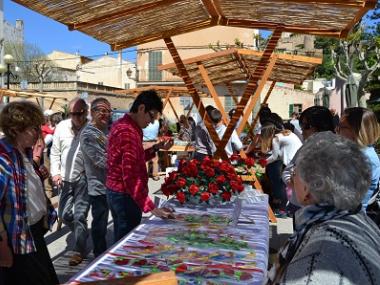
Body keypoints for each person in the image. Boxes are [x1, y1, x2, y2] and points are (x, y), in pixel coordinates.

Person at [267, 132, 380, 284]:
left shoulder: (319, 252)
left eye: (295, 172)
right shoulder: (356, 217)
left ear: (309, 188)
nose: (292, 177)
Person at [0, 101, 58, 285]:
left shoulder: (22, 151)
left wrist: (36, 172)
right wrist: (2, 248)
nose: (39, 133)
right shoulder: (2, 159)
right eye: (34, 128)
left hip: (31, 234)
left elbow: (20, 184)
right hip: (15, 241)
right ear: (16, 129)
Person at [106, 90, 175, 243]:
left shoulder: (127, 126)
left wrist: (156, 148)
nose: (151, 123)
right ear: (141, 108)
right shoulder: (127, 131)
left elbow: (136, 159)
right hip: (124, 196)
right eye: (151, 116)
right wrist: (151, 207)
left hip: (119, 193)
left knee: (122, 239)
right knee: (126, 243)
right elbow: (130, 176)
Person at [50, 98, 89, 266]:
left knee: (80, 215)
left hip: (84, 178)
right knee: (64, 214)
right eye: (74, 114)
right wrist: (55, 173)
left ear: (86, 112)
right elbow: (55, 152)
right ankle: (82, 232)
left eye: (81, 113)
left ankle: (79, 249)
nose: (78, 117)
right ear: (69, 114)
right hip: (65, 179)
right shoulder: (61, 127)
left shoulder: (92, 129)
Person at [282, 106, 334, 214]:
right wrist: (294, 183)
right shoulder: (306, 147)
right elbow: (287, 171)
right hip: (298, 205)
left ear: (321, 126)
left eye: (306, 126)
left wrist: (297, 181)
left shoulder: (335, 149)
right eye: (301, 126)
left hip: (318, 210)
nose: (302, 131)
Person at [80, 98, 111, 257]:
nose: (106, 114)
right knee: (100, 223)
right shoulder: (88, 134)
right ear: (92, 112)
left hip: (112, 186)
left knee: (112, 221)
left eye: (108, 111)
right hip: (98, 187)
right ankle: (99, 255)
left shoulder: (107, 130)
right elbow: (100, 161)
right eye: (102, 111)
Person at [336, 107, 380, 209]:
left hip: (348, 219)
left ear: (357, 130)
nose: (337, 130)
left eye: (341, 126)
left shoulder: (366, 159)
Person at [143, 117, 161, 181]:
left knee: (146, 161)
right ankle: (155, 175)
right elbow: (157, 132)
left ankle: (145, 176)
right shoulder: (157, 122)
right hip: (153, 142)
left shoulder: (144, 120)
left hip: (144, 142)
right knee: (155, 160)